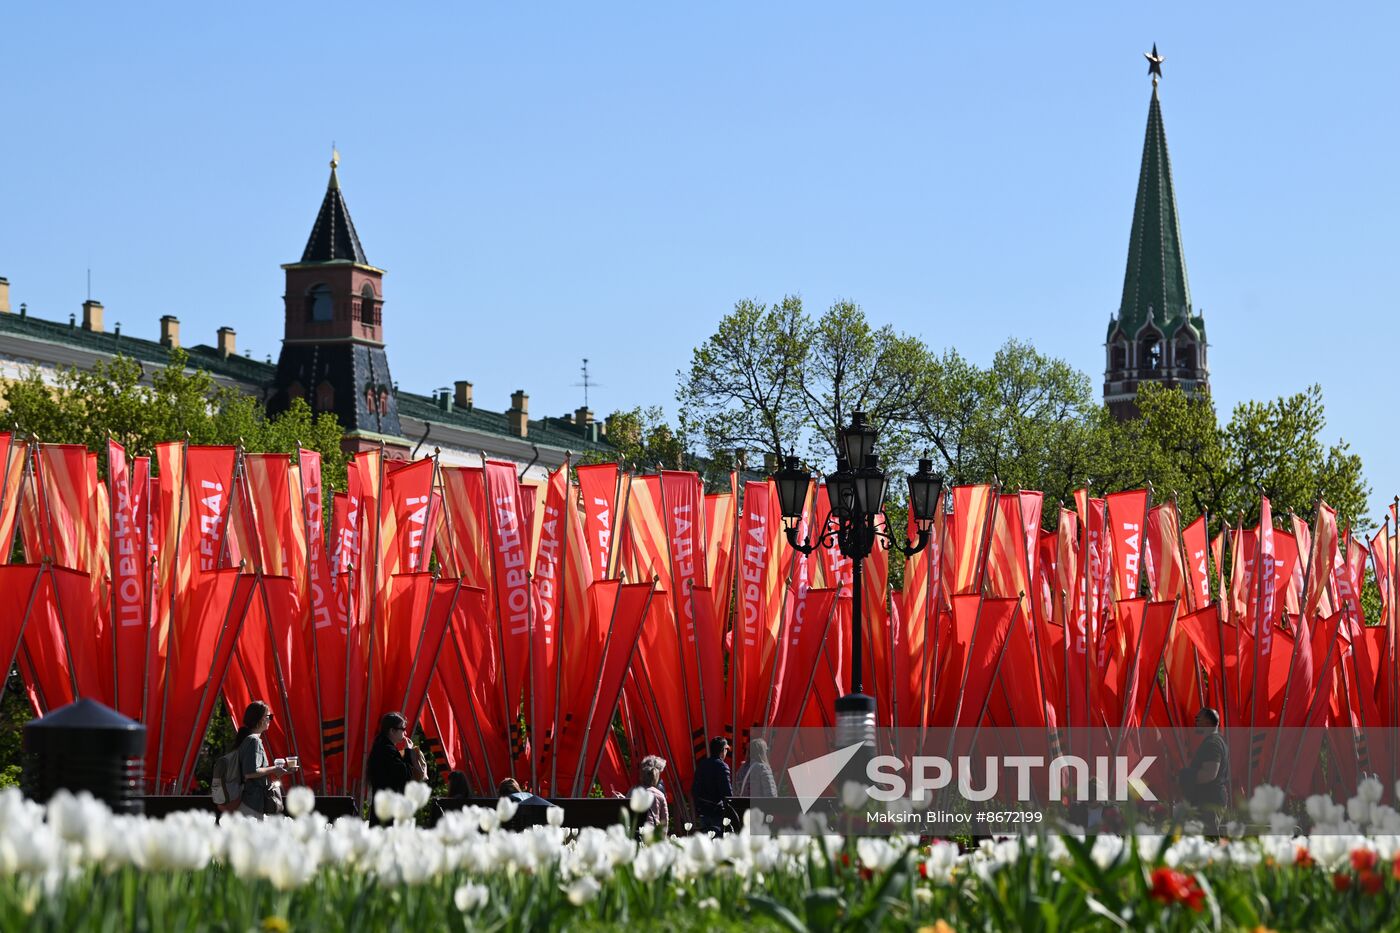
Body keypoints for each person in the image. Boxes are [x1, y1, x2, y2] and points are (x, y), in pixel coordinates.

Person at [367, 711, 426, 824]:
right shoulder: (387, 750)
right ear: (392, 731)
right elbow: (405, 775)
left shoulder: (381, 746)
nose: (405, 733)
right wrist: (408, 752)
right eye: (403, 729)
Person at [233, 700, 288, 821]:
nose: (270, 720)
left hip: (247, 801)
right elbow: (250, 772)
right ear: (260, 719)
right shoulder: (254, 740)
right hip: (252, 803)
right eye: (269, 716)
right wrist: (274, 769)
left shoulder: (248, 738)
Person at [1180, 707, 1230, 823]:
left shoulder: (1213, 744)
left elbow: (1209, 774)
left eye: (1198, 719)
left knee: (1207, 834)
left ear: (1207, 722)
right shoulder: (1216, 741)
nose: (1195, 722)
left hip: (1210, 802)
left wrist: (1184, 776)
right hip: (1209, 799)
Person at [692, 736, 732, 834]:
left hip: (703, 811)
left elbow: (695, 789)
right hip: (717, 812)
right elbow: (727, 793)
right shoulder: (722, 766)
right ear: (723, 750)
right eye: (726, 750)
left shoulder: (702, 764)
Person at [631, 760, 669, 834]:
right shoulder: (660, 795)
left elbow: (626, 804)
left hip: (637, 829)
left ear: (641, 777)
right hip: (653, 829)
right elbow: (664, 819)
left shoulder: (634, 791)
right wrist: (663, 835)